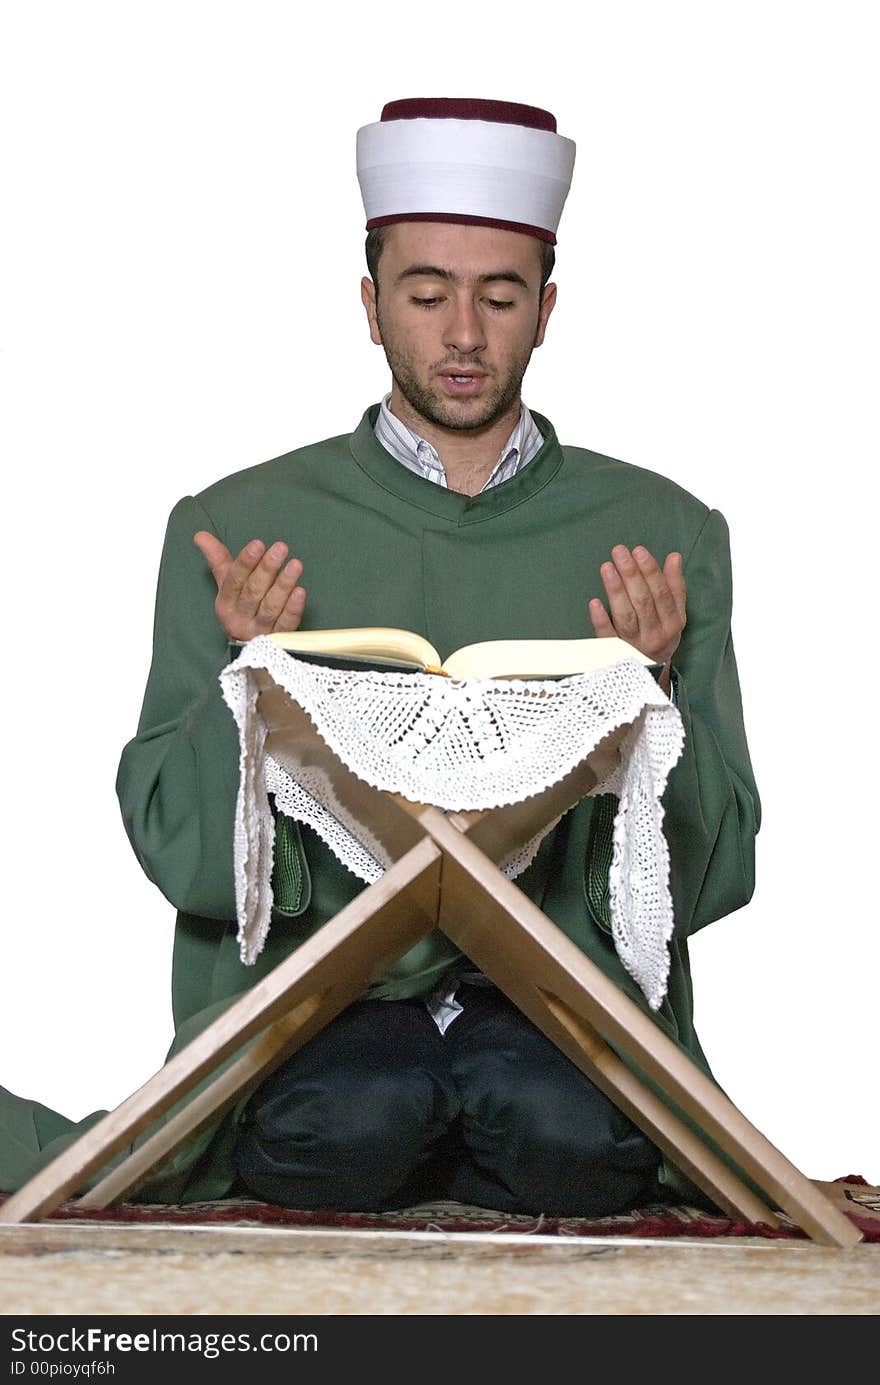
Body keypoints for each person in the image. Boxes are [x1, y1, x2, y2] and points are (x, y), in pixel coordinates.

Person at [0, 98, 759, 1216]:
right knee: (355, 1117)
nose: (462, 332)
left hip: (560, 1024)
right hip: (319, 1021)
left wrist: (654, 692)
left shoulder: (661, 532)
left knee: (564, 1129)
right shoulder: (239, 522)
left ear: (545, 310)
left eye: (499, 296)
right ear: (369, 305)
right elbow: (189, 865)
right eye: (424, 293)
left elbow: (713, 876)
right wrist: (244, 673)